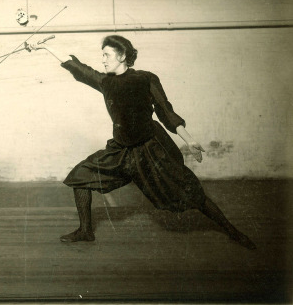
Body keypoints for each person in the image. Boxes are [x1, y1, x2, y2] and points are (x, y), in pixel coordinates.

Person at [28, 35, 256, 250]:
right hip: (121, 151)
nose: (103, 59)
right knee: (80, 178)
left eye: (106, 54)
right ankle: (86, 231)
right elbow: (77, 67)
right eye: (102, 55)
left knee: (192, 192)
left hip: (151, 149)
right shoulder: (105, 82)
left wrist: (190, 140)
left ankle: (232, 231)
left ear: (122, 55)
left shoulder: (146, 78)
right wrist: (45, 47)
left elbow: (166, 112)